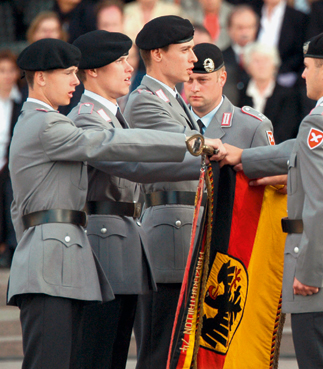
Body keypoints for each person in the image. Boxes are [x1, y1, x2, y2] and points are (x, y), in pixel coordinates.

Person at [7, 37, 223, 369]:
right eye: (67, 73)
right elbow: (112, 144)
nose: (75, 82)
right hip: (50, 262)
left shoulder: (44, 122)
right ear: (40, 77)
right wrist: (190, 143)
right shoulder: (47, 124)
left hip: (56, 257)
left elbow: (18, 208)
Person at [222, 32, 323, 369]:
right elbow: (298, 151)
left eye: (307, 67)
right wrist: (246, 157)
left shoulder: (318, 122)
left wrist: (309, 272)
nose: (302, 74)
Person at [123, 15, 205, 369]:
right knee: (161, 351)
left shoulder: (173, 99)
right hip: (169, 237)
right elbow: (186, 148)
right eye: (185, 50)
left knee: (179, 354)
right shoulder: (144, 100)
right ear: (157, 54)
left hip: (184, 232)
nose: (193, 58)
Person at [240, 42, 303, 143]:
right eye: (256, 61)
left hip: (275, 152)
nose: (261, 66)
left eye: (266, 61)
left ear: (275, 65)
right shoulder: (239, 93)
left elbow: (285, 131)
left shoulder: (289, 96)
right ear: (248, 67)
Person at [0, 50, 21, 268]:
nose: (6, 75)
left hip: (9, 164)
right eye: (1, 71)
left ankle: (10, 246)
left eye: (10, 70)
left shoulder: (21, 101)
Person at [222, 5, 258, 105]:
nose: (245, 33)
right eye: (240, 28)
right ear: (229, 29)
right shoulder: (220, 58)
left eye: (249, 27)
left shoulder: (265, 57)